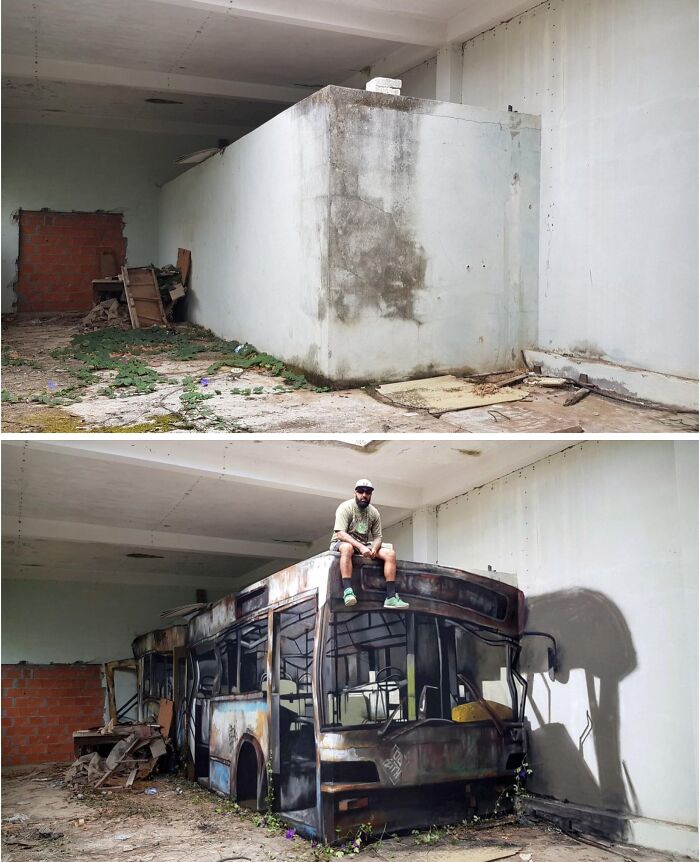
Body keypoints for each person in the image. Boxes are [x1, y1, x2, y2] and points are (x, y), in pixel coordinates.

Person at [330, 479, 409, 609]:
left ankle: (390, 597)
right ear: (355, 493)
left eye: (368, 492)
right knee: (348, 548)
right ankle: (348, 591)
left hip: (364, 545)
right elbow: (340, 534)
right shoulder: (345, 508)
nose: (364, 495)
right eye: (361, 491)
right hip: (341, 543)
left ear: (371, 495)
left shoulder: (374, 512)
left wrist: (374, 548)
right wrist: (360, 547)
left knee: (390, 554)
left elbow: (378, 537)